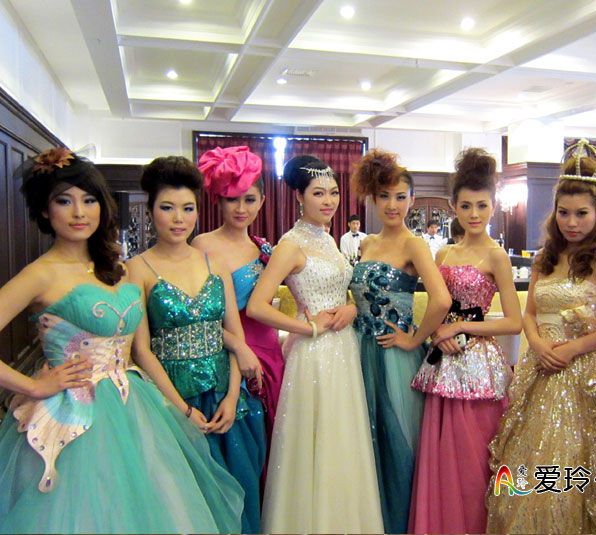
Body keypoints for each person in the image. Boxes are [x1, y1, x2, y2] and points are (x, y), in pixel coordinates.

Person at [0, 148, 243, 533]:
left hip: (134, 403)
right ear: (45, 210)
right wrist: (32, 386)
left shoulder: (113, 268)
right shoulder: (41, 274)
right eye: (64, 201)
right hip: (75, 415)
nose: (79, 212)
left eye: (89, 200)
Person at [487, 139, 596, 534]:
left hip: (583, 374)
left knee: (569, 462)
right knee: (530, 460)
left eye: (581, 214)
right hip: (541, 368)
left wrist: (575, 348)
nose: (572, 222)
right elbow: (530, 313)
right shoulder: (546, 255)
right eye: (564, 213)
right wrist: (538, 345)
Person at [127, 155, 266, 533]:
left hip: (225, 398)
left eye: (187, 208)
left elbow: (234, 337)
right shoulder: (137, 269)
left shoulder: (213, 263)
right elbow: (141, 350)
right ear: (151, 211)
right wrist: (181, 410)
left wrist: (233, 396)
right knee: (186, 504)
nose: (178, 219)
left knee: (240, 494)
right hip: (171, 399)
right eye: (167, 208)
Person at [247, 155, 383, 533]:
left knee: (342, 441)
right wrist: (306, 327)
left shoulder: (327, 238)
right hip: (314, 353)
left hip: (344, 348)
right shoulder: (290, 245)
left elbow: (343, 292)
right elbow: (257, 305)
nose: (329, 201)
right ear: (299, 197)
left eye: (334, 193)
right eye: (318, 193)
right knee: (315, 442)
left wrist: (352, 309)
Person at [409, 148, 523, 534]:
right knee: (441, 454)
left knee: (476, 458)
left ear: (493, 206)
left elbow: (514, 322)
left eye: (482, 205)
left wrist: (461, 328)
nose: (474, 214)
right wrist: (437, 333)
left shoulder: (497, 256)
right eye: (466, 206)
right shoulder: (444, 252)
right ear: (453, 207)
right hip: (443, 360)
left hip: (478, 364)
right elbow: (437, 306)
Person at [348, 149, 451, 533]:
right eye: (385, 196)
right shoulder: (366, 244)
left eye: (400, 197)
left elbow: (440, 299)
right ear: (373, 199)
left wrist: (414, 339)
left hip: (394, 354)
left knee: (398, 442)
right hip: (359, 348)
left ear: (411, 199)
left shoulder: (414, 245)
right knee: (364, 441)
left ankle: (402, 523)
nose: (393, 205)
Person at [191, 146, 285, 450]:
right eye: (232, 199)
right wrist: (239, 347)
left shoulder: (264, 248)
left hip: (270, 353)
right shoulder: (202, 245)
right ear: (218, 200)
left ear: (263, 201)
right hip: (228, 352)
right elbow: (196, 316)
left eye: (250, 199)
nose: (241, 208)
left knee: (273, 442)